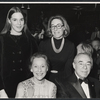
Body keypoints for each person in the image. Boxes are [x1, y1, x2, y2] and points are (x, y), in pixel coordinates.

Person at [0, 7, 38, 98]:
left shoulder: (31, 40)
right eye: (15, 20)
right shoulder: (2, 39)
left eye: (21, 19)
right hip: (6, 87)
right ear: (9, 21)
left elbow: (36, 65)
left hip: (27, 85)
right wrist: (1, 89)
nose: (19, 23)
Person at [38, 15, 75, 83]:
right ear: (50, 28)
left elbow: (68, 70)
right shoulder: (43, 44)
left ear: (64, 28)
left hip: (62, 80)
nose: (55, 29)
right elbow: (39, 66)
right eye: (53, 26)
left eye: (58, 26)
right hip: (44, 79)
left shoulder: (70, 46)